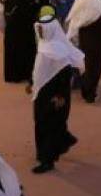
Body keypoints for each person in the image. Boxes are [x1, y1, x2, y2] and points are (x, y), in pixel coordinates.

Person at [31, 15, 84, 174]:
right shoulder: (45, 44)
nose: (40, 31)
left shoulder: (58, 50)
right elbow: (41, 69)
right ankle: (64, 140)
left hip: (54, 96)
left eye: (42, 29)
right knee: (45, 123)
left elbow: (65, 75)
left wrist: (60, 96)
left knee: (47, 125)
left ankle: (47, 161)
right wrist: (33, 84)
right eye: (39, 28)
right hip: (42, 92)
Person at [67, 0, 101, 103]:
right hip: (96, 38)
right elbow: (96, 15)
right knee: (95, 65)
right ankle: (90, 93)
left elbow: (76, 17)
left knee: (87, 64)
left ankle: (86, 90)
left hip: (84, 37)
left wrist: (72, 33)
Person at [3, 0, 40, 84]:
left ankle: (16, 75)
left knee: (17, 51)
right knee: (25, 50)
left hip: (15, 30)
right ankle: (25, 73)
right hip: (23, 29)